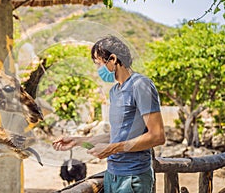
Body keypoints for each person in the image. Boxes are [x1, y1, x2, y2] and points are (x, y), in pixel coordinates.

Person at [52, 35, 165, 193]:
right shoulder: (114, 91)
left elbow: (157, 136)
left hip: (132, 178)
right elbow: (117, 135)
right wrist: (78, 141)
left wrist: (112, 149)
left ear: (113, 59)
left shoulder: (140, 85)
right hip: (112, 175)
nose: (98, 69)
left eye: (99, 63)